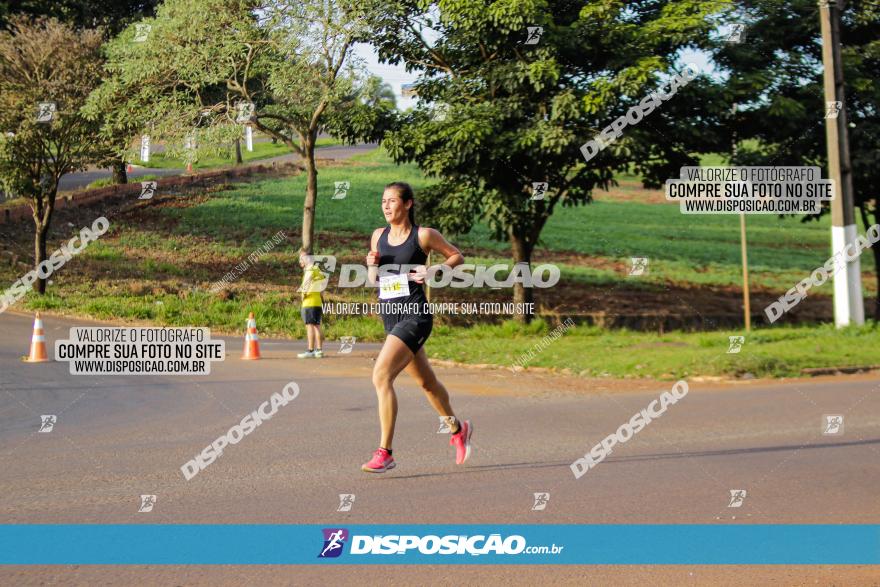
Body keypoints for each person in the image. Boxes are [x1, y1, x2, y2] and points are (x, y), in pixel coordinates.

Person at [360, 182, 472, 473]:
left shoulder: (423, 235)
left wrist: (434, 270)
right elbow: (375, 281)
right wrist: (371, 264)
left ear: (407, 204)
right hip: (392, 318)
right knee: (426, 383)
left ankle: (385, 452)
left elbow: (456, 256)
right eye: (383, 201)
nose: (386, 206)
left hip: (415, 315)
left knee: (381, 376)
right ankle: (458, 429)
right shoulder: (378, 237)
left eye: (392, 201)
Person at [297, 251, 326, 358]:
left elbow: (306, 284)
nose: (300, 260)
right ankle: (319, 350)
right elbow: (323, 285)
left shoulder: (310, 269)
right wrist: (321, 297)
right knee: (317, 326)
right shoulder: (317, 269)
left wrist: (303, 294)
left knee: (309, 326)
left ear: (307, 258)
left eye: (301, 258)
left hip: (309, 302)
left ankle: (310, 350)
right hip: (317, 301)